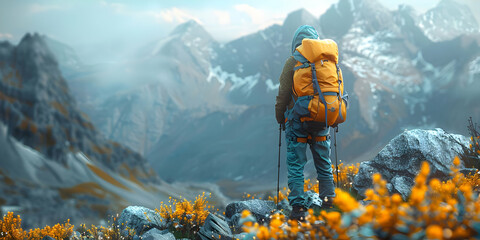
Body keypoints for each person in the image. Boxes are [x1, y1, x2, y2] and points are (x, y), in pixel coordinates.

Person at [275, 25, 336, 221]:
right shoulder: (325, 60)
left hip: (297, 121)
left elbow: (283, 94)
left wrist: (279, 117)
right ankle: (328, 203)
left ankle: (298, 209)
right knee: (323, 162)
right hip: (321, 118)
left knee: (296, 165)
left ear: (295, 43)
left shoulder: (292, 61)